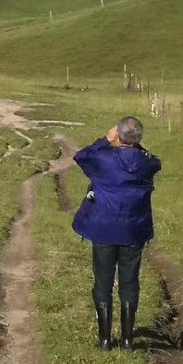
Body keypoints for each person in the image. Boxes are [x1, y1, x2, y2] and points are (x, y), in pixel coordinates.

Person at [71, 116, 161, 351]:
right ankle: (128, 341)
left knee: (103, 282)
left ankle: (104, 340)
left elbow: (81, 156)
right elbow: (155, 161)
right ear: (139, 139)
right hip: (134, 231)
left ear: (117, 135)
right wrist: (134, 142)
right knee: (130, 284)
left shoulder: (103, 159)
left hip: (104, 229)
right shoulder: (147, 163)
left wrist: (106, 139)